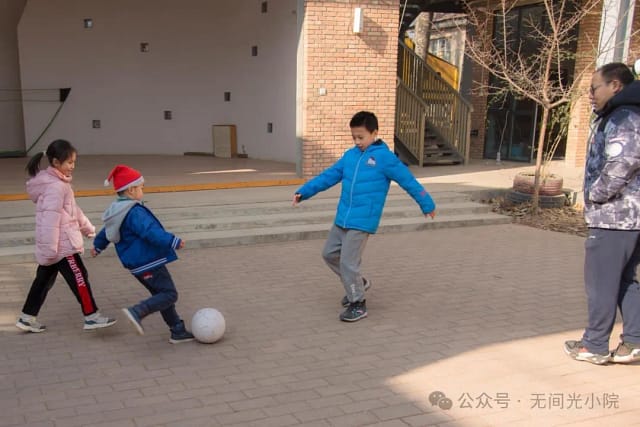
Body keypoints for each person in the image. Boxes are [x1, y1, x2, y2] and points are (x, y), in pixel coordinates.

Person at [292, 111, 436, 322]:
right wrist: (304, 192)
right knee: (329, 254)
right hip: (343, 217)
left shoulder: (385, 158)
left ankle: (358, 303)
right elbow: (328, 176)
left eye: (361, 137)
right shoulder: (350, 156)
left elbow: (409, 181)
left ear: (374, 133)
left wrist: (427, 204)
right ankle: (358, 283)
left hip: (363, 220)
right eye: (354, 137)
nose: (357, 141)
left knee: (348, 263)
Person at [564, 62, 640, 365]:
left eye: (594, 88)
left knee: (600, 284)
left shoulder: (624, 117)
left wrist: (595, 195)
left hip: (614, 218)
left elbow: (623, 163)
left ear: (615, 86)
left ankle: (594, 344)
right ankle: (634, 340)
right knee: (624, 281)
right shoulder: (627, 114)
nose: (591, 94)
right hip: (629, 218)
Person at [16, 139, 117, 333]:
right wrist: (51, 249)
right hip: (62, 246)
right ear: (56, 162)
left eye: (74, 162)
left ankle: (26, 317)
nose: (72, 166)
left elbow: (72, 210)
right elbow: (50, 219)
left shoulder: (57, 184)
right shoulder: (56, 186)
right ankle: (92, 316)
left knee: (43, 281)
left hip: (57, 246)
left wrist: (87, 227)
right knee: (80, 278)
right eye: (69, 162)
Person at [91, 165, 194, 344]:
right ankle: (137, 312)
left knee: (162, 295)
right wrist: (173, 241)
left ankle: (177, 330)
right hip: (148, 261)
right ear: (131, 190)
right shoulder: (134, 211)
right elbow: (150, 231)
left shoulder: (117, 210)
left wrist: (98, 246)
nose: (142, 191)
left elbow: (107, 230)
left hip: (137, 265)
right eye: (141, 187)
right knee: (169, 294)